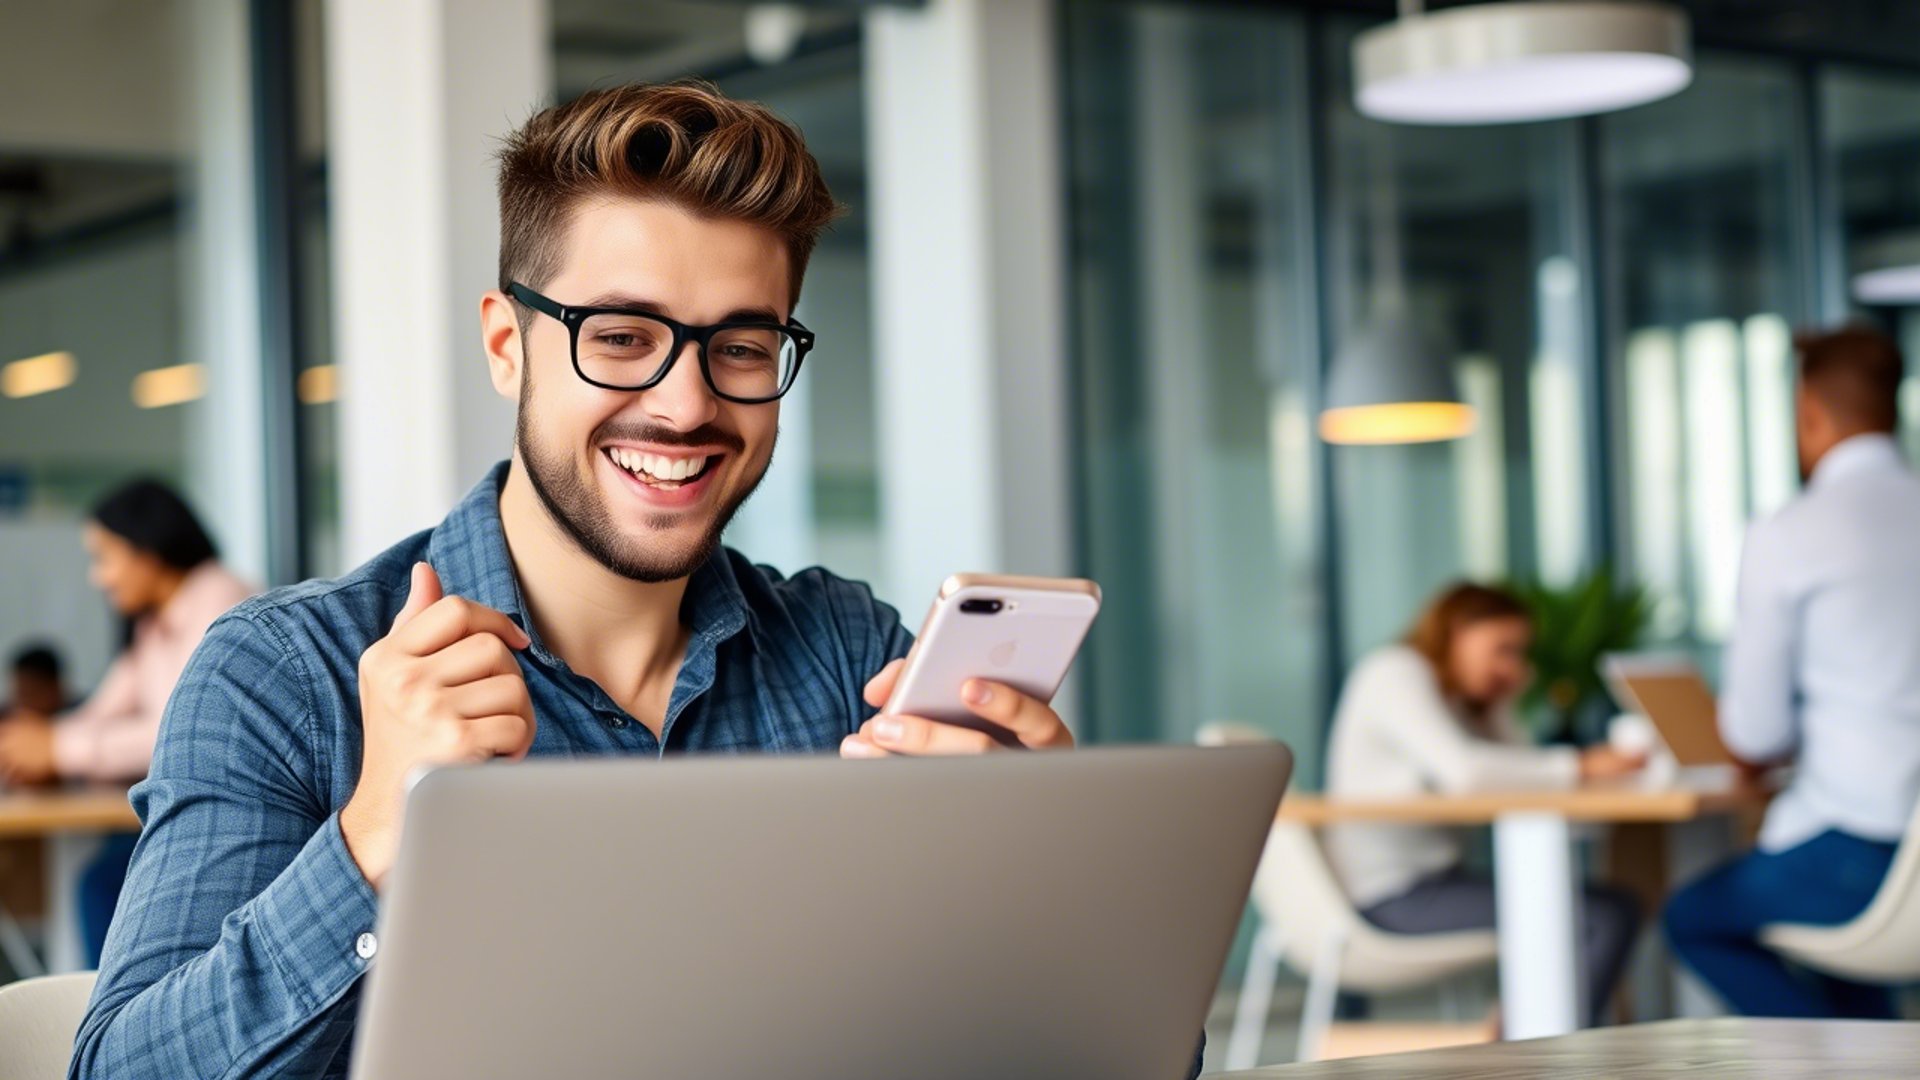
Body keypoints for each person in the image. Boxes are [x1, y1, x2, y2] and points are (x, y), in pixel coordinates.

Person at [70, 82, 1113, 1080]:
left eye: (742, 347)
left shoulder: (849, 655)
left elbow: (1129, 1056)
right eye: (621, 338)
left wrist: (1032, 885)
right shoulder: (286, 675)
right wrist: (377, 832)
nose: (686, 403)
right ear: (506, 344)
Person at [1664, 327, 1920, 1019]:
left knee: (1691, 918)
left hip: (1858, 852)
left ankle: (1835, 1061)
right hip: (1902, 864)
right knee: (1846, 958)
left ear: (1809, 412)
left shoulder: (1792, 531)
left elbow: (1755, 731)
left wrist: (1753, 751)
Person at [1323, 583, 1646, 1027]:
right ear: (1456, 632)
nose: (1511, 665)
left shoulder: (1460, 697)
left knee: (1602, 906)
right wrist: (1582, 765)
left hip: (1440, 882)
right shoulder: (1396, 671)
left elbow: (1520, 772)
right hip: (1392, 895)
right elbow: (1468, 775)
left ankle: (1525, 1044)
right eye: (1502, 649)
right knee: (1603, 914)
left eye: (1519, 653)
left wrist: (1502, 704)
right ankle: (1535, 1055)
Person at [0, 481, 252, 966]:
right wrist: (38, 742)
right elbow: (101, 713)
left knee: (102, 886)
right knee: (99, 879)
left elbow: (180, 732)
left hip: (228, 819)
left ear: (148, 549)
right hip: (189, 810)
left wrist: (56, 749)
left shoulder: (218, 601)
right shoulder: (154, 624)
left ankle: (116, 1025)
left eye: (105, 557)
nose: (99, 577)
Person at [1, 642, 70, 720]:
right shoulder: (9, 713)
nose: (22, 704)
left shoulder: (77, 721)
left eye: (29, 694)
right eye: (18, 694)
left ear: (54, 688)